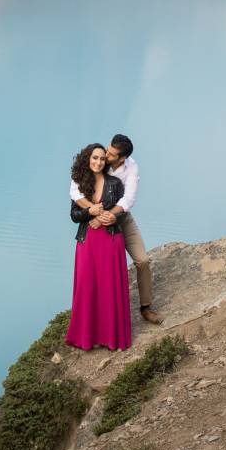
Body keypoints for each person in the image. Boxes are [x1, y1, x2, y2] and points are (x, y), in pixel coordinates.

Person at [69, 132, 162, 325]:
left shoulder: (131, 168)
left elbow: (128, 199)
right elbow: (75, 190)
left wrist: (110, 216)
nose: (106, 156)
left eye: (111, 155)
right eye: (107, 150)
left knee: (143, 261)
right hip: (96, 217)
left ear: (122, 158)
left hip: (121, 217)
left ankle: (146, 307)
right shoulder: (98, 158)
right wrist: (93, 213)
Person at [64, 143, 132, 351]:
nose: (98, 162)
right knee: (87, 287)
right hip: (87, 242)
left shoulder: (115, 183)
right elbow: (74, 216)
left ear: (106, 162)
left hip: (110, 240)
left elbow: (123, 212)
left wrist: (110, 218)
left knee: (109, 287)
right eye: (95, 158)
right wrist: (90, 212)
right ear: (88, 159)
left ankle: (112, 337)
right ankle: (85, 337)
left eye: (102, 159)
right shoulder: (80, 184)